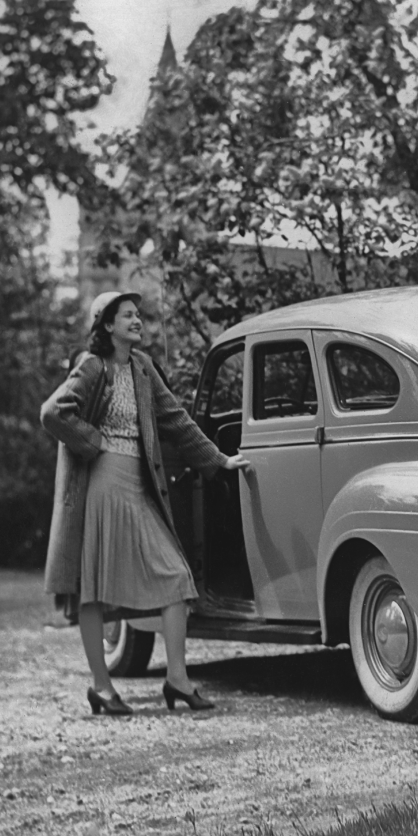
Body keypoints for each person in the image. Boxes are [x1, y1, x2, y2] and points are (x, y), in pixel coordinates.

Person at [41, 291, 250, 716]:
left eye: (138, 315)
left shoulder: (142, 367)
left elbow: (175, 418)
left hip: (138, 483)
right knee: (94, 590)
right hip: (101, 484)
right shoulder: (92, 366)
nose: (138, 321)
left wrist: (219, 459)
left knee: (175, 576)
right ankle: (101, 687)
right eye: (128, 316)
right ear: (108, 325)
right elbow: (52, 412)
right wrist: (94, 441)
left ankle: (177, 679)